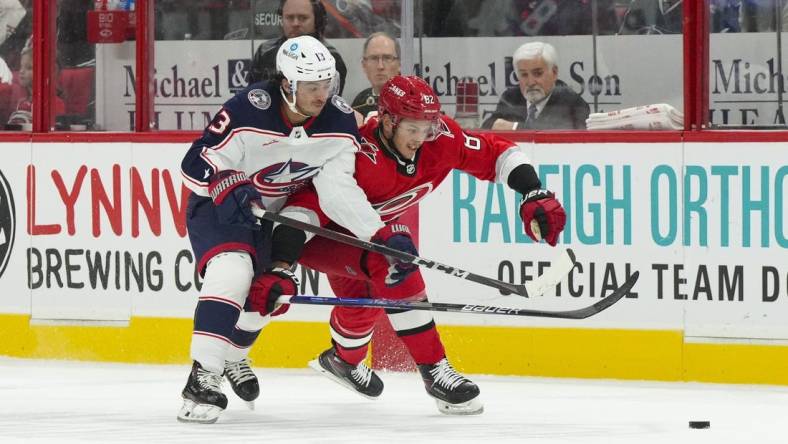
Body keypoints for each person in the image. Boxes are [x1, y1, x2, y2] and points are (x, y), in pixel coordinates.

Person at [245, 75, 567, 415]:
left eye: (427, 127)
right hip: (323, 237)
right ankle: (435, 371)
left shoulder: (440, 139)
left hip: (368, 239)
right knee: (395, 262)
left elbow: (498, 154)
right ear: (387, 121)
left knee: (363, 303)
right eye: (412, 129)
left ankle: (343, 361)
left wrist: (533, 191)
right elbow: (302, 212)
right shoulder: (352, 151)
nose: (421, 138)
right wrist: (281, 263)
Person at [177, 35, 364, 424]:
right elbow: (193, 164)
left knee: (270, 293)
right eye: (311, 86)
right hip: (220, 206)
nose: (321, 94)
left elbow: (338, 189)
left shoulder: (341, 121)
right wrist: (227, 181)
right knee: (233, 269)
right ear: (287, 84)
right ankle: (203, 376)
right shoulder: (248, 108)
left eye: (326, 84)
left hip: (276, 214)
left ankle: (233, 356)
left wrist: (372, 232)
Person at [481, 41, 589, 130]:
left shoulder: (573, 102)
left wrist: (515, 127)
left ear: (554, 73)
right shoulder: (511, 97)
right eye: (524, 74)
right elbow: (488, 127)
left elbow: (554, 135)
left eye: (537, 73)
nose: (531, 82)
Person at [249, 0, 348, 95]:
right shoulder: (265, 51)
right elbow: (253, 96)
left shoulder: (330, 56)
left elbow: (329, 104)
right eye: (289, 17)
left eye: (303, 18)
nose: (295, 23)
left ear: (317, 21)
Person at [351, 32, 400, 120]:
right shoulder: (360, 101)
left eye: (387, 58)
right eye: (374, 58)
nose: (380, 66)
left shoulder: (411, 102)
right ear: (364, 65)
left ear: (399, 64)